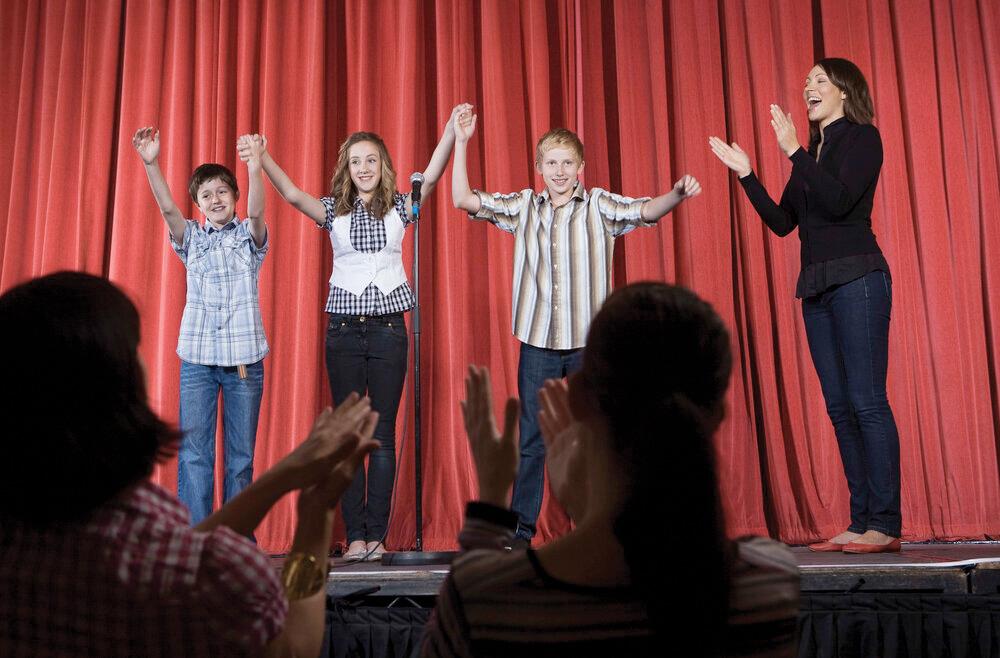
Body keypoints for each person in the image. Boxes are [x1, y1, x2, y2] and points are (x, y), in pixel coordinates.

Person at [0, 271, 379, 657]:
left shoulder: (24, 546)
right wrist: (317, 517)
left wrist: (280, 479)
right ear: (120, 386)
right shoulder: (220, 577)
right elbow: (296, 647)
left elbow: (179, 550)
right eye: (135, 350)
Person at [421, 282, 800, 657]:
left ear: (580, 397)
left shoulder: (488, 597)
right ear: (717, 413)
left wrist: (491, 505)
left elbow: (471, 602)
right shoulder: (769, 580)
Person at [451, 110, 702, 544]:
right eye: (551, 163)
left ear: (581, 168)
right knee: (532, 440)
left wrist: (676, 195)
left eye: (568, 163)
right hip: (539, 342)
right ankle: (520, 532)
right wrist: (461, 142)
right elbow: (463, 200)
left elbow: (644, 211)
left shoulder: (600, 205)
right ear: (539, 168)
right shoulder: (524, 206)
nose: (560, 171)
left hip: (589, 344)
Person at [240, 103, 471, 561]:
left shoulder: (402, 210)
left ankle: (378, 536)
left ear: (383, 166)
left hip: (389, 331)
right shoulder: (332, 212)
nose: (363, 168)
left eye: (371, 160)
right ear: (347, 170)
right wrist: (261, 159)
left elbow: (433, 173)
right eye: (355, 161)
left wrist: (449, 131)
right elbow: (289, 194)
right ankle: (357, 536)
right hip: (344, 332)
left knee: (381, 434)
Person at [709, 57, 901, 553]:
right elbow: (781, 222)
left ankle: (885, 522)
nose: (807, 85)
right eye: (807, 80)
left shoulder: (864, 139)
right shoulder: (812, 153)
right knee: (840, 408)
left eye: (819, 80)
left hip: (858, 278)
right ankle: (861, 522)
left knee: (867, 402)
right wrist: (748, 175)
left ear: (844, 91)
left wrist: (794, 151)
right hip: (816, 288)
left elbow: (838, 202)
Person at [132, 127, 270, 525]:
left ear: (234, 196)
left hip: (244, 362)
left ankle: (236, 539)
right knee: (195, 454)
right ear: (199, 204)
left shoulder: (248, 235)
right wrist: (151, 163)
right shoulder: (192, 238)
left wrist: (255, 166)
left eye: (222, 192)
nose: (215, 199)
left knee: (241, 458)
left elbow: (259, 212)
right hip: (197, 362)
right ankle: (197, 540)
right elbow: (167, 210)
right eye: (206, 195)